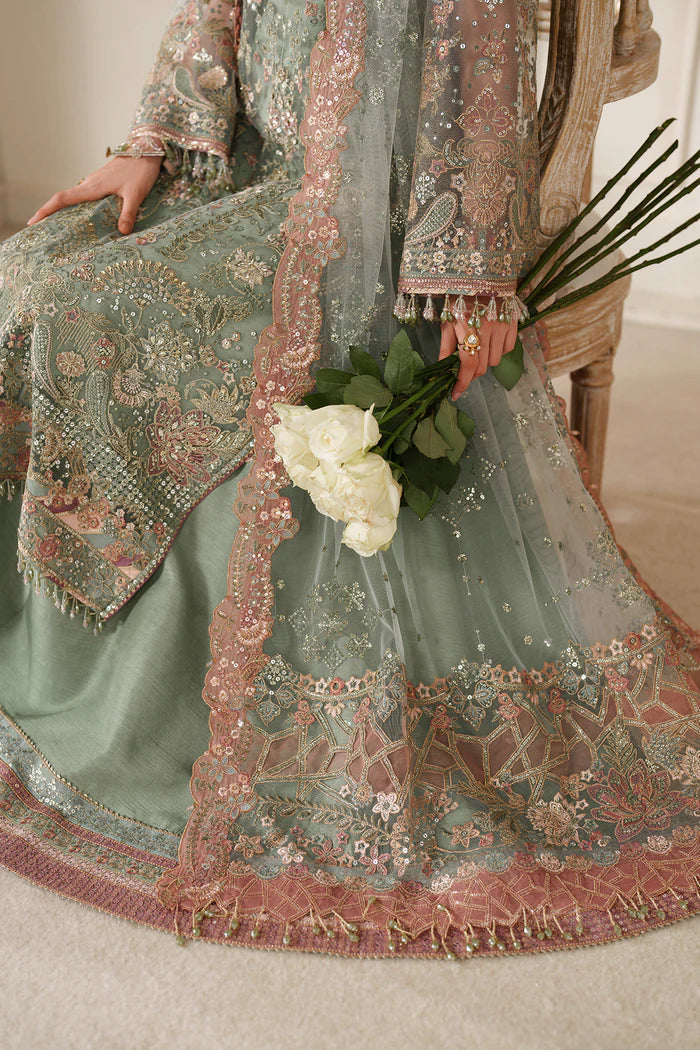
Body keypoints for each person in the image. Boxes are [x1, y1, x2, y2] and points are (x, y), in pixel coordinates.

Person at [0, 0, 697, 958]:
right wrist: (152, 141)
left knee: (98, 309)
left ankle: (102, 681)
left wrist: (468, 269)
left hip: (375, 214)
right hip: (247, 168)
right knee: (31, 269)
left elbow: (483, 51)